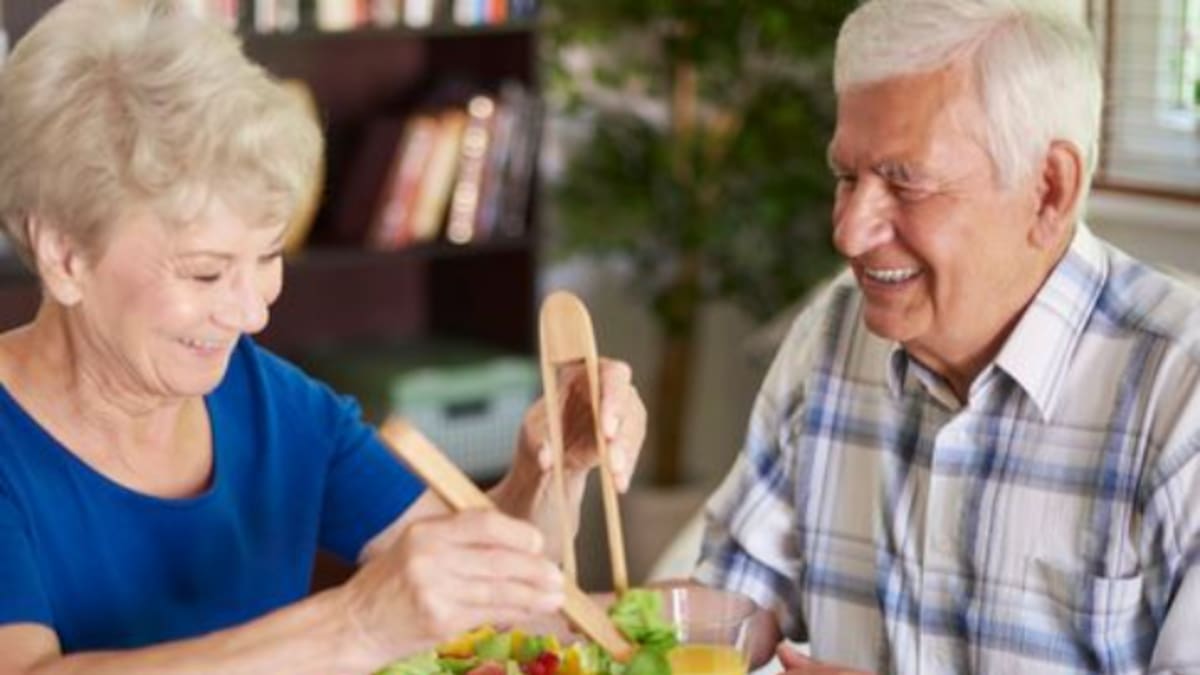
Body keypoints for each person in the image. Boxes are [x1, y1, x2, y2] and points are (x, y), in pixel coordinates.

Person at [0, 0, 647, 672]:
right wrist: (356, 624)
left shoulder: (270, 401)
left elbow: (484, 597)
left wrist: (549, 471)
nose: (252, 313)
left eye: (269, 255)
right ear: (65, 255)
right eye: (207, 272)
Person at [694, 1, 1200, 673]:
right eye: (847, 176)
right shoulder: (833, 333)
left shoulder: (1181, 391)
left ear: (1048, 189)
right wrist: (540, 588)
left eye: (904, 182)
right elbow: (734, 600)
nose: (849, 231)